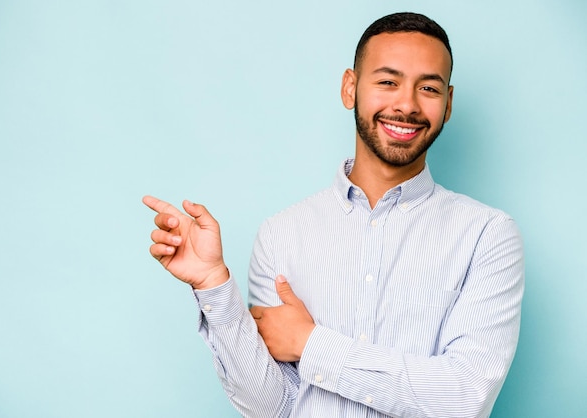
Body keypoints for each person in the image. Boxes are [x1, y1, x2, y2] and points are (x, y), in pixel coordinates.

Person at [143, 12, 524, 418]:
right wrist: (212, 284)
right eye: (388, 81)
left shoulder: (488, 236)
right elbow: (271, 407)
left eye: (427, 88)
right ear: (350, 88)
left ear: (447, 105)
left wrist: (310, 344)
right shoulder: (281, 233)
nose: (407, 104)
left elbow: (465, 397)